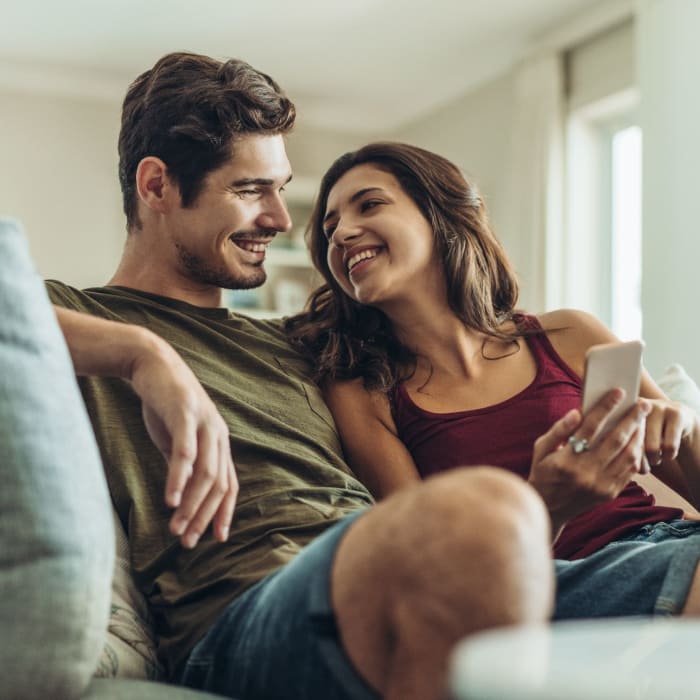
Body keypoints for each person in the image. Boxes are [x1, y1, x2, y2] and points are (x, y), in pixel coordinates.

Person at [47, 53, 644, 700]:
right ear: (157, 186)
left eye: (280, 189)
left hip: (384, 568)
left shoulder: (307, 344)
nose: (280, 220)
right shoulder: (78, 320)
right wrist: (145, 356)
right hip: (245, 616)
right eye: (251, 191)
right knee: (491, 512)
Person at [286, 140, 700, 623]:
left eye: (370, 204)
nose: (341, 234)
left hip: (672, 542)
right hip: (547, 578)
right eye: (330, 227)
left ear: (440, 212)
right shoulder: (363, 389)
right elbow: (443, 571)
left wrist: (684, 428)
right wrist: (546, 504)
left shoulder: (568, 333)